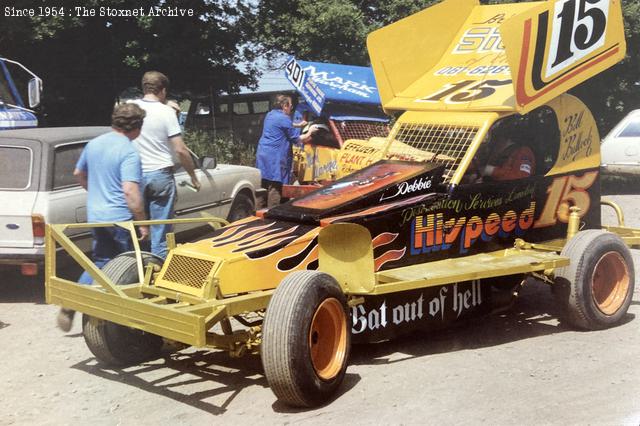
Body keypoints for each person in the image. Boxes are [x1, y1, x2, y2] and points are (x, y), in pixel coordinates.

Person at [57, 103, 149, 332]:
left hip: (96, 215)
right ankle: (123, 323)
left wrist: (95, 193)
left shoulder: (94, 144)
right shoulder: (129, 151)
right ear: (137, 126)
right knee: (129, 267)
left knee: (101, 263)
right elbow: (130, 192)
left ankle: (71, 303)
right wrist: (142, 221)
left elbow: (79, 173)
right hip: (119, 218)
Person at [130, 71, 200, 259]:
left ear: (144, 87)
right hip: (160, 174)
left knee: (135, 228)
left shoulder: (130, 108)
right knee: (161, 230)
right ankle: (158, 271)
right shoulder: (166, 112)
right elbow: (180, 150)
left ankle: (131, 269)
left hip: (133, 175)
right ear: (162, 90)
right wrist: (193, 176)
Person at [255, 94, 315, 207]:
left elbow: (281, 126)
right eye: (291, 106)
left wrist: (297, 125)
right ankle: (272, 213)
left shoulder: (270, 115)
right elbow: (297, 139)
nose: (291, 109)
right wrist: (310, 132)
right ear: (284, 105)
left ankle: (257, 212)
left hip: (263, 153)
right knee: (276, 185)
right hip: (275, 156)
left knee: (263, 184)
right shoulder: (284, 118)